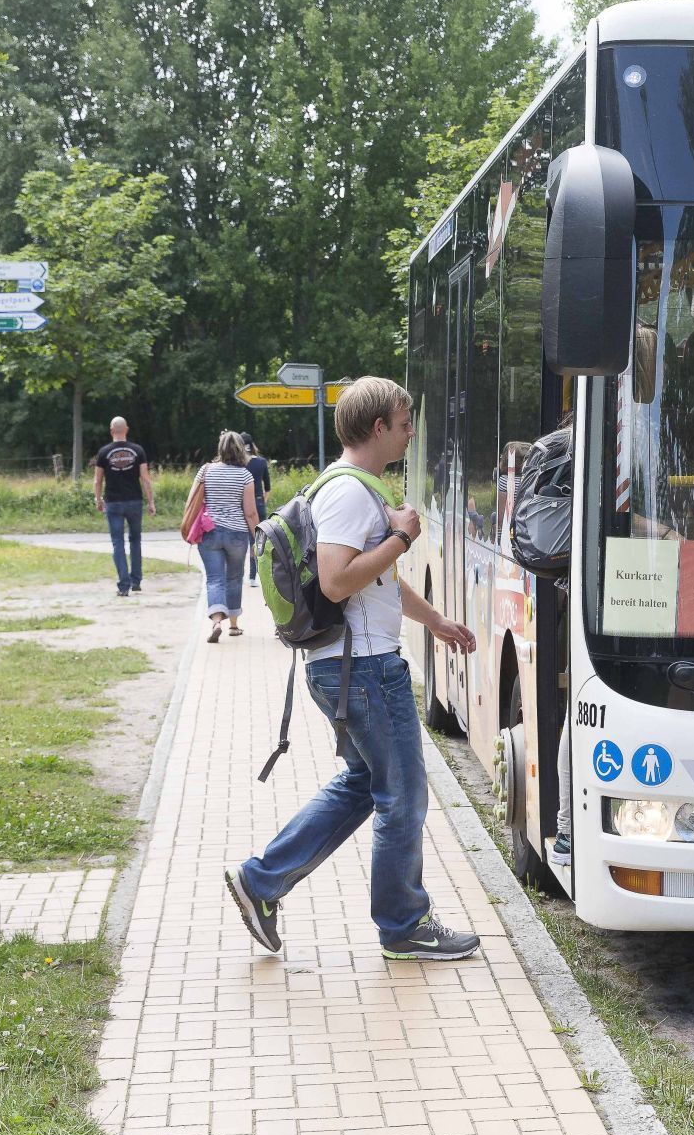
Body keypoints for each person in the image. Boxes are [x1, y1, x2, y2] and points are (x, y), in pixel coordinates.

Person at [225, 377, 482, 961]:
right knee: (404, 798)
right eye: (405, 420)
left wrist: (434, 620)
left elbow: (374, 583)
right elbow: (340, 578)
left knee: (366, 786)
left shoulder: (355, 489)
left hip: (352, 665)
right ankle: (403, 925)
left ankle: (260, 883)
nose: (412, 430)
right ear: (378, 428)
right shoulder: (347, 494)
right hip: (363, 670)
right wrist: (400, 537)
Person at [188, 431, 260, 642]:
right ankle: (234, 625)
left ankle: (217, 621)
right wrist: (257, 537)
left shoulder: (206, 470)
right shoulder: (245, 475)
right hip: (237, 534)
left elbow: (192, 499)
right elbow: (250, 512)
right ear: (241, 449)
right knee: (234, 578)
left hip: (209, 532)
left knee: (215, 579)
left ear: (220, 449)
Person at [93, 416, 155, 597]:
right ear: (126, 429)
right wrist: (151, 502)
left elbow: (97, 480)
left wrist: (98, 499)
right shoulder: (138, 450)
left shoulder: (104, 452)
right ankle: (136, 581)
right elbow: (145, 479)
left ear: (111, 430)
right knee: (135, 541)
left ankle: (123, 585)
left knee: (117, 542)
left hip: (113, 502)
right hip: (134, 501)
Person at [243, 433, 271, 585]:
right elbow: (268, 488)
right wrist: (261, 502)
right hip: (259, 503)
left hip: (243, 505)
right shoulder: (261, 462)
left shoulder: (239, 463)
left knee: (247, 540)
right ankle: (259, 575)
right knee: (260, 540)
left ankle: (248, 575)